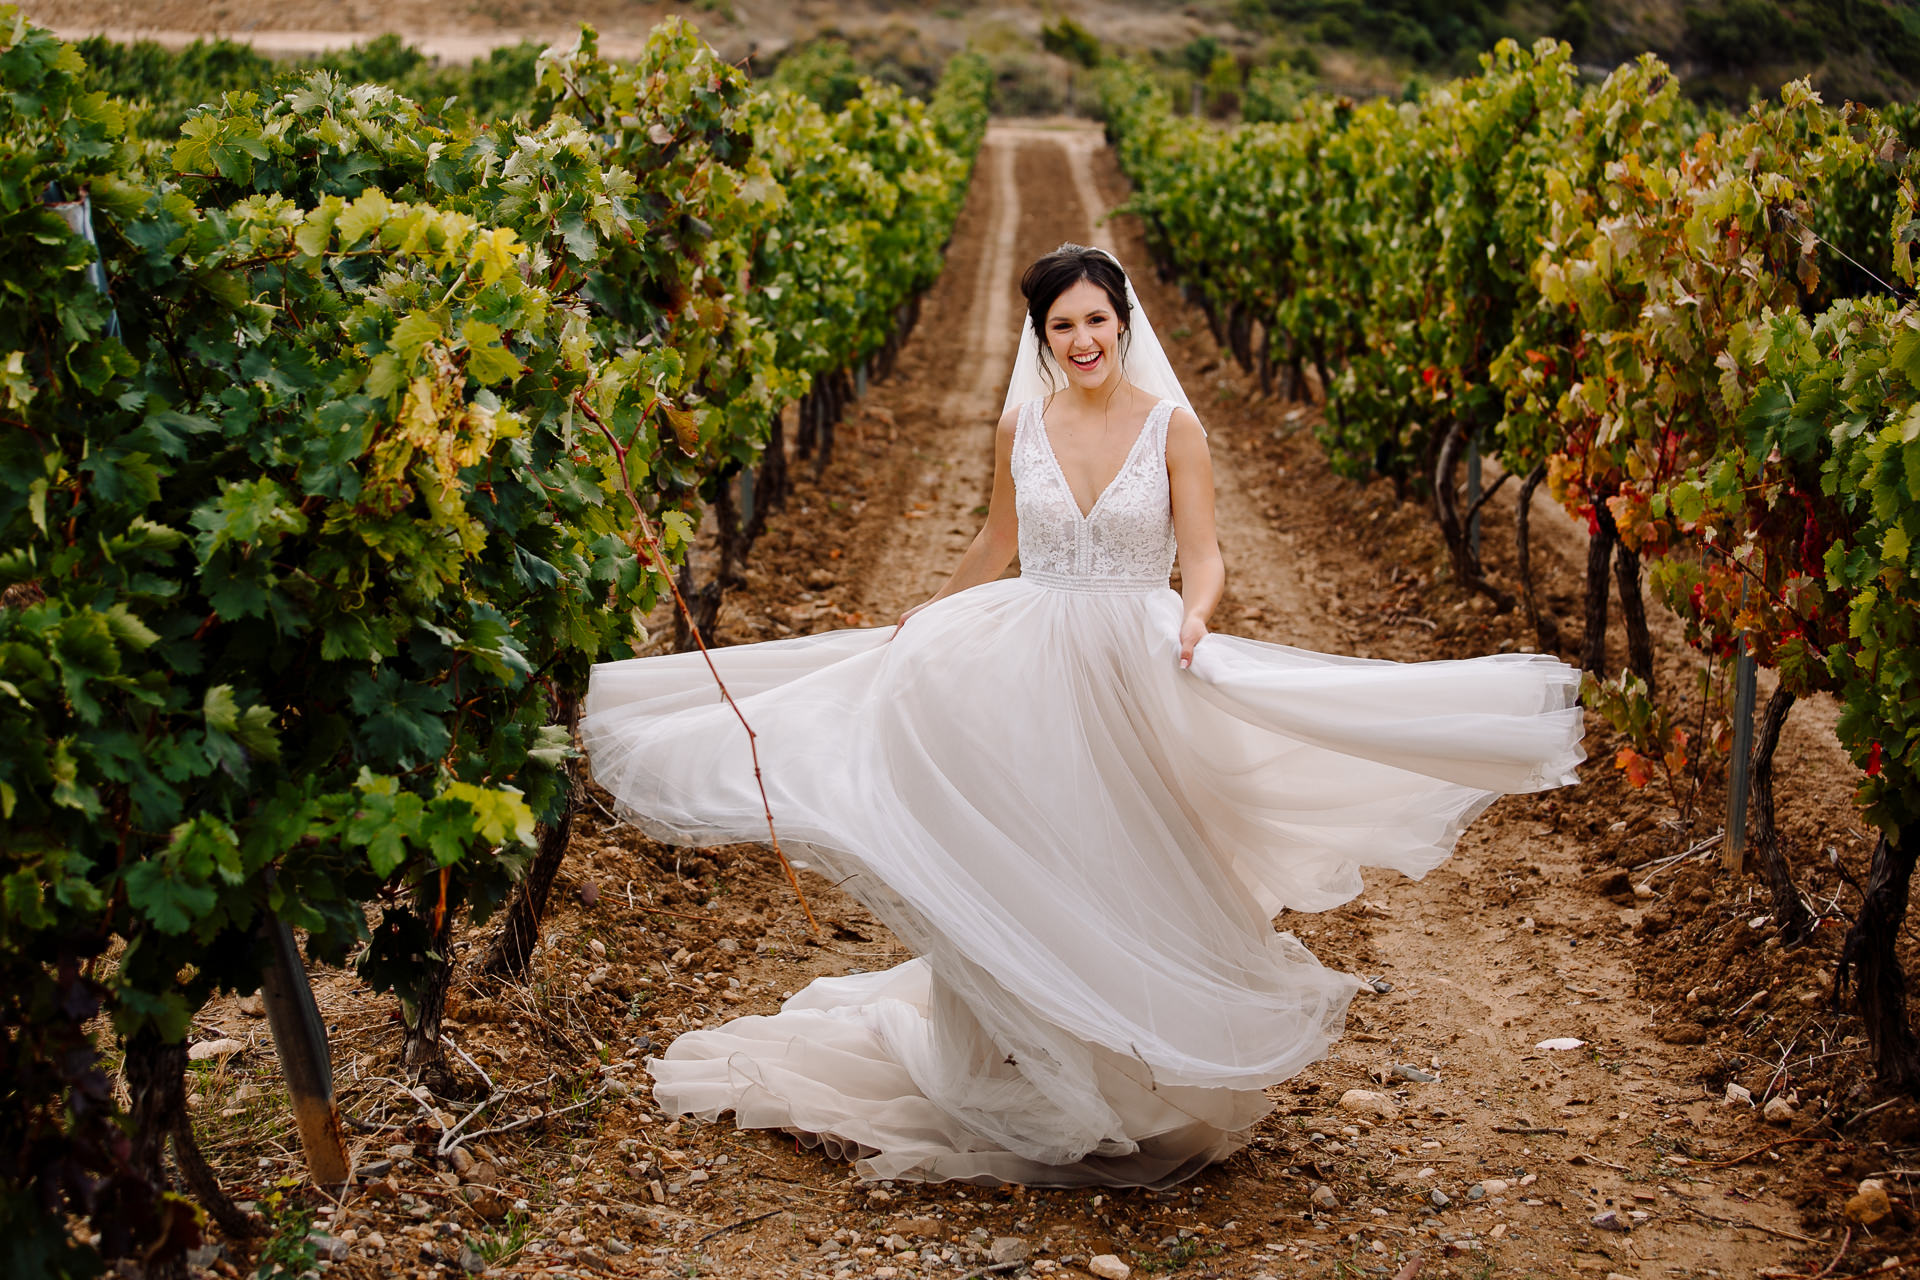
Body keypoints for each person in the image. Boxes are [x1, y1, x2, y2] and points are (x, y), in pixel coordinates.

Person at [580, 243, 1586, 1188]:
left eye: (1096, 318)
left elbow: (1206, 552)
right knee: (1034, 849)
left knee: (1132, 852)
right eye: (1062, 325)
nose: (1082, 339)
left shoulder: (1171, 425)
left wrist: (1196, 617)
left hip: (1135, 652)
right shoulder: (1022, 426)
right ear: (1041, 335)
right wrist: (921, 616)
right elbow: (996, 537)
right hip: (1030, 648)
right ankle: (1029, 1064)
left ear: (1122, 319)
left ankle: (1133, 1072)